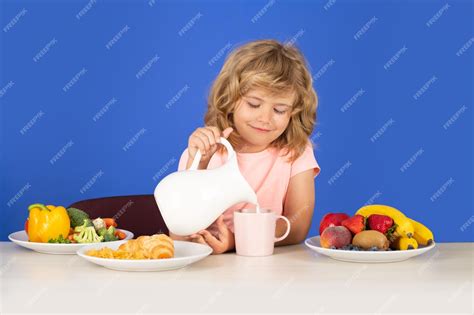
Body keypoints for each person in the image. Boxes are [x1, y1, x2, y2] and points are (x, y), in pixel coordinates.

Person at [170, 39, 320, 254]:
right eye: (254, 104)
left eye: (279, 110)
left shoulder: (296, 151)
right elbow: (179, 234)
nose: (265, 118)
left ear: (294, 111)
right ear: (229, 98)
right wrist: (199, 166)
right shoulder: (204, 152)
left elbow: (297, 228)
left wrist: (236, 241)